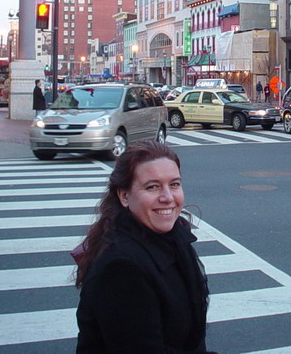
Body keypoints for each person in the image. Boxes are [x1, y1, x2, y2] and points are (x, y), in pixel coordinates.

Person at [74, 142, 215, 354]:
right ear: (124, 196)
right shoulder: (121, 267)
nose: (168, 197)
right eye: (153, 187)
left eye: (174, 184)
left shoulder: (175, 239)